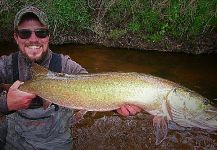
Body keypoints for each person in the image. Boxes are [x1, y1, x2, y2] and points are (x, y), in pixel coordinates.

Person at [0, 6, 141, 150]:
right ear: (16, 37)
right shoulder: (5, 65)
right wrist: (6, 103)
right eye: (25, 33)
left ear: (48, 36)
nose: (33, 39)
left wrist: (116, 106)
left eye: (41, 33)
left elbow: (92, 87)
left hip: (57, 142)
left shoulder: (65, 65)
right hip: (16, 139)